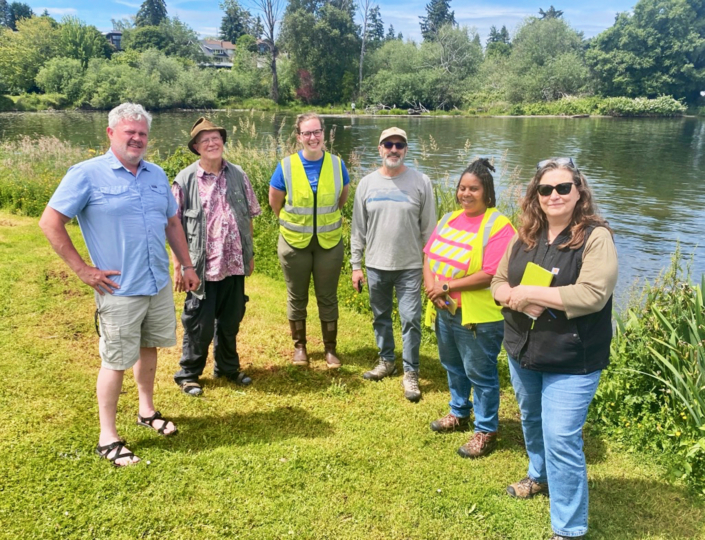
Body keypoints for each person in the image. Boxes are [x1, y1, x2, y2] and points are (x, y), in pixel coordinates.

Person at [38, 103, 200, 467]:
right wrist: (83, 270)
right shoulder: (86, 174)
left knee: (149, 348)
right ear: (111, 133)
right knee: (114, 361)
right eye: (130, 132)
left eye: (142, 133)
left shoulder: (157, 175)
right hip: (118, 288)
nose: (137, 139)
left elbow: (172, 224)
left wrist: (185, 264)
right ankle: (107, 437)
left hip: (156, 281)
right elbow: (50, 222)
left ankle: (146, 411)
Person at [491, 158, 618, 540]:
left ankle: (569, 528)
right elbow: (498, 281)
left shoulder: (596, 237)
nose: (554, 195)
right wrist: (512, 298)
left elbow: (593, 293)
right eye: (546, 189)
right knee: (531, 421)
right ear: (536, 196)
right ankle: (540, 476)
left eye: (564, 187)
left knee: (561, 436)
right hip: (523, 349)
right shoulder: (525, 233)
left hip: (572, 358)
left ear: (579, 192)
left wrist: (530, 292)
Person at [423, 159, 515, 457]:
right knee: (453, 365)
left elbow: (491, 273)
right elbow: (428, 256)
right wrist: (432, 289)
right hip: (445, 309)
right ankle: (459, 412)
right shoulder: (449, 218)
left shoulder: (499, 225)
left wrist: (446, 286)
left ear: (487, 192)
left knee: (481, 373)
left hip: (478, 316)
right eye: (462, 188)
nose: (466, 193)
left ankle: (486, 430)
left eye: (473, 189)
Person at [172, 117, 262, 397]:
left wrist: (249, 253)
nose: (212, 143)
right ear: (197, 147)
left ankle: (227, 367)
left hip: (234, 263)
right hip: (201, 266)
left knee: (231, 319)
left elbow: (249, 215)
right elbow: (172, 225)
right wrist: (179, 265)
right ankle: (188, 374)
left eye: (216, 138)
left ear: (223, 142)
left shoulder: (238, 173)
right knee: (198, 321)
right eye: (205, 140)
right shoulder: (185, 179)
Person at [351, 127, 436, 402]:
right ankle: (387, 361)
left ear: (406, 150)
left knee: (410, 319)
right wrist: (356, 264)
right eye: (388, 144)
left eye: (399, 145)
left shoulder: (421, 181)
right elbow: (357, 229)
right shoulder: (366, 184)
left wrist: (431, 268)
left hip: (410, 266)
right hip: (376, 265)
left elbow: (430, 230)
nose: (394, 149)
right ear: (380, 149)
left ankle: (411, 371)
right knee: (381, 318)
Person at [268, 112, 351, 368]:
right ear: (299, 136)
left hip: (329, 243)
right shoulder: (286, 166)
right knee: (297, 297)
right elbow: (275, 202)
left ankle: (330, 349)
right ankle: (300, 347)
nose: (312, 137)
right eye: (307, 133)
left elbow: (342, 198)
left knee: (328, 297)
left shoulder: (338, 165)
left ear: (323, 134)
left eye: (317, 132)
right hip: (294, 244)